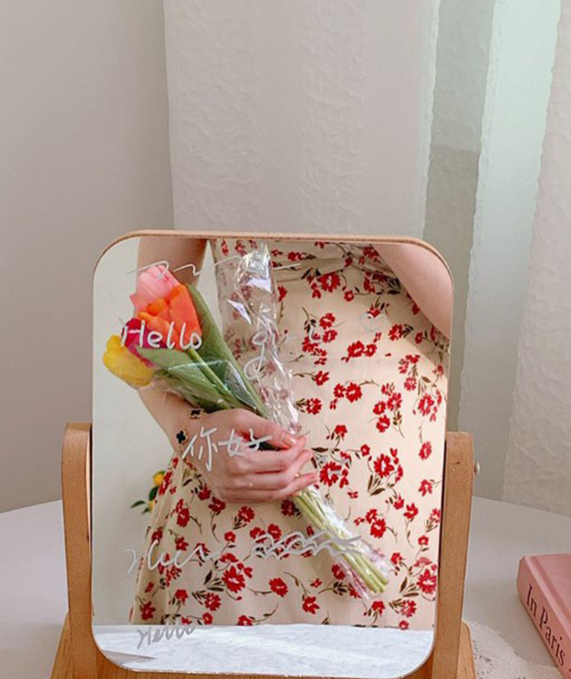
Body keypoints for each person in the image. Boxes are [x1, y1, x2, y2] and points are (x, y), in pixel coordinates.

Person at [127, 234, 451, 628]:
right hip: (232, 506)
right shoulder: (204, 186)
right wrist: (191, 434)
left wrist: (377, 220)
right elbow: (146, 331)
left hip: (401, 512)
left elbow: (473, 327)